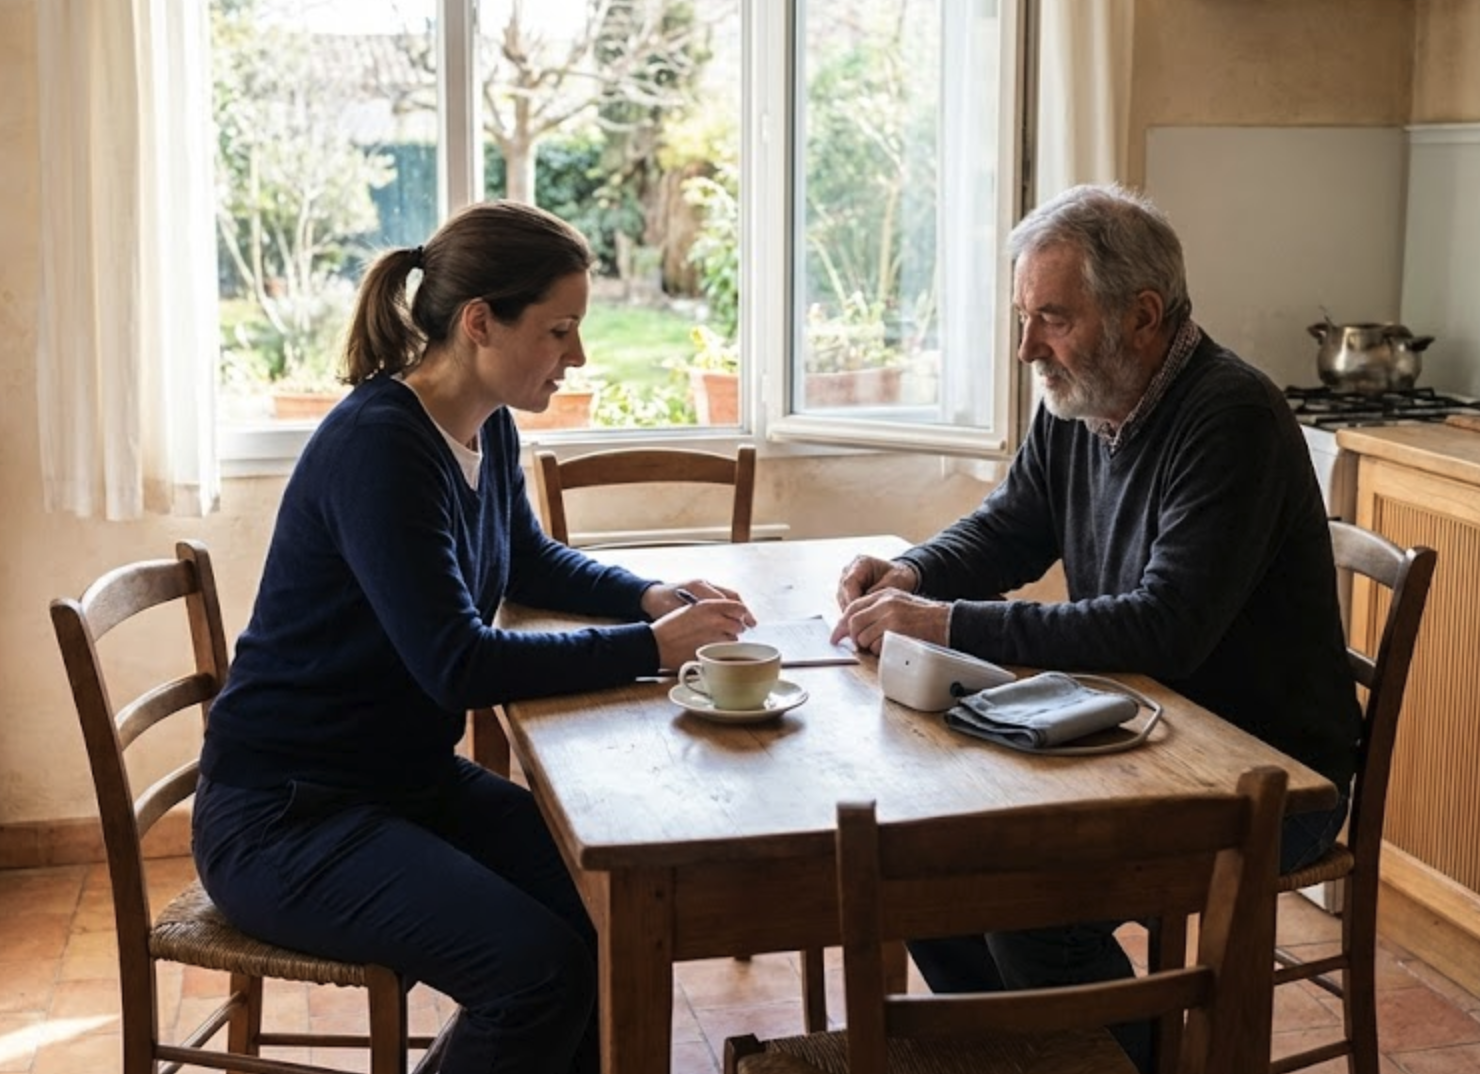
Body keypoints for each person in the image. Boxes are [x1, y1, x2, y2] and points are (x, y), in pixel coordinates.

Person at [192, 200, 754, 1074]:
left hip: (396, 785)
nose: (579, 356)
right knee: (537, 974)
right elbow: (458, 663)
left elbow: (528, 562)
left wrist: (651, 597)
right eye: (560, 330)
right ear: (480, 323)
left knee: (612, 918)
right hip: (286, 818)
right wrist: (656, 650)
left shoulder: (483, 426)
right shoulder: (380, 448)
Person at [829, 182, 1359, 1071]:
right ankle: (1041, 1057)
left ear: (1142, 316)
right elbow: (1009, 528)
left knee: (1035, 909)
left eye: (1053, 318)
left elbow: (1163, 631)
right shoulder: (1083, 399)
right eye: (1024, 316)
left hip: (1266, 775)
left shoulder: (1232, 417)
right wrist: (914, 570)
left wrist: (946, 622)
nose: (1028, 346)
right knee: (932, 877)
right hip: (1131, 739)